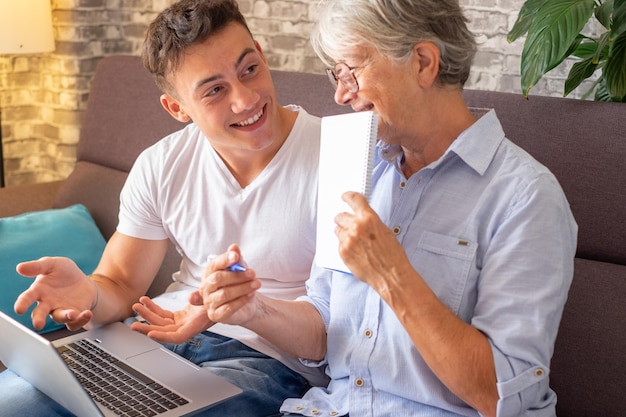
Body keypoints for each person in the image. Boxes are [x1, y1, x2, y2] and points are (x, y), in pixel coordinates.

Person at [193, 0, 578, 416]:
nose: (341, 94)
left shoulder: (525, 195)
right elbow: (326, 330)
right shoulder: (358, 166)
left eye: (351, 71)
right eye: (335, 75)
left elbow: (501, 398)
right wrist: (253, 310)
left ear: (423, 63)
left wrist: (391, 275)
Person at [0, 0, 328, 415]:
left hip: (267, 359)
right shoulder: (161, 164)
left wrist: (248, 310)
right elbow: (119, 282)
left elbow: (351, 329)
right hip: (155, 335)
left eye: (249, 70)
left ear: (262, 56)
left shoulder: (338, 157)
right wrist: (88, 292)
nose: (245, 100)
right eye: (214, 90)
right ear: (177, 109)